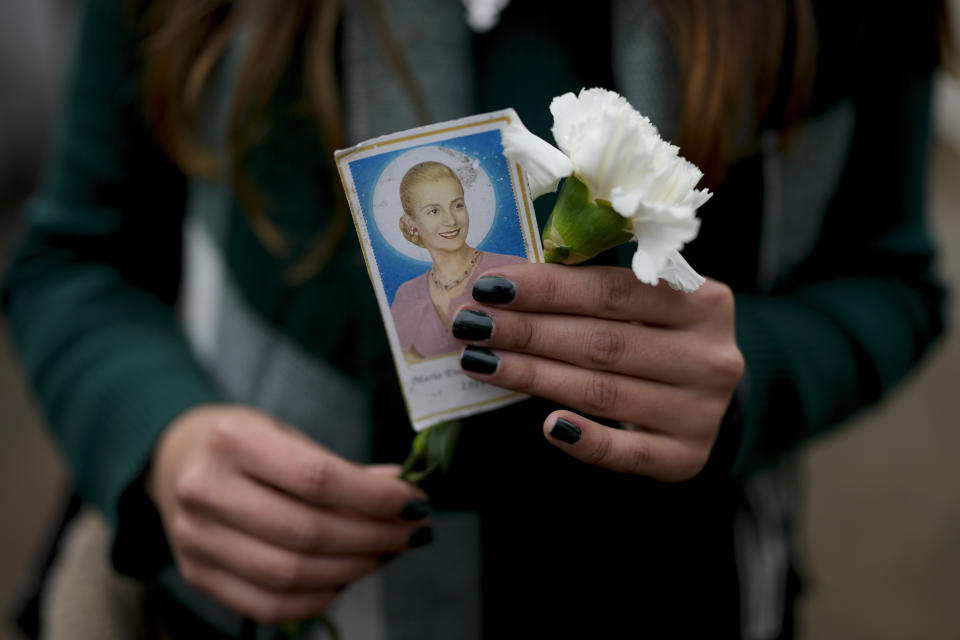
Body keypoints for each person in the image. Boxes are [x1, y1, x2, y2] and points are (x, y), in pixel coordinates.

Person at [0, 0, 949, 638]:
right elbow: (71, 257)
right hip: (257, 604)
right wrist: (166, 442)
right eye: (436, 216)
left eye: (459, 209)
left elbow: (892, 276)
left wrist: (752, 379)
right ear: (414, 222)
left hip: (680, 593)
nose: (453, 224)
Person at [390, 160, 526, 360]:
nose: (451, 220)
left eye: (457, 206)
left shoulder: (512, 268)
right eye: (434, 211)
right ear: (412, 224)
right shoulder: (407, 295)